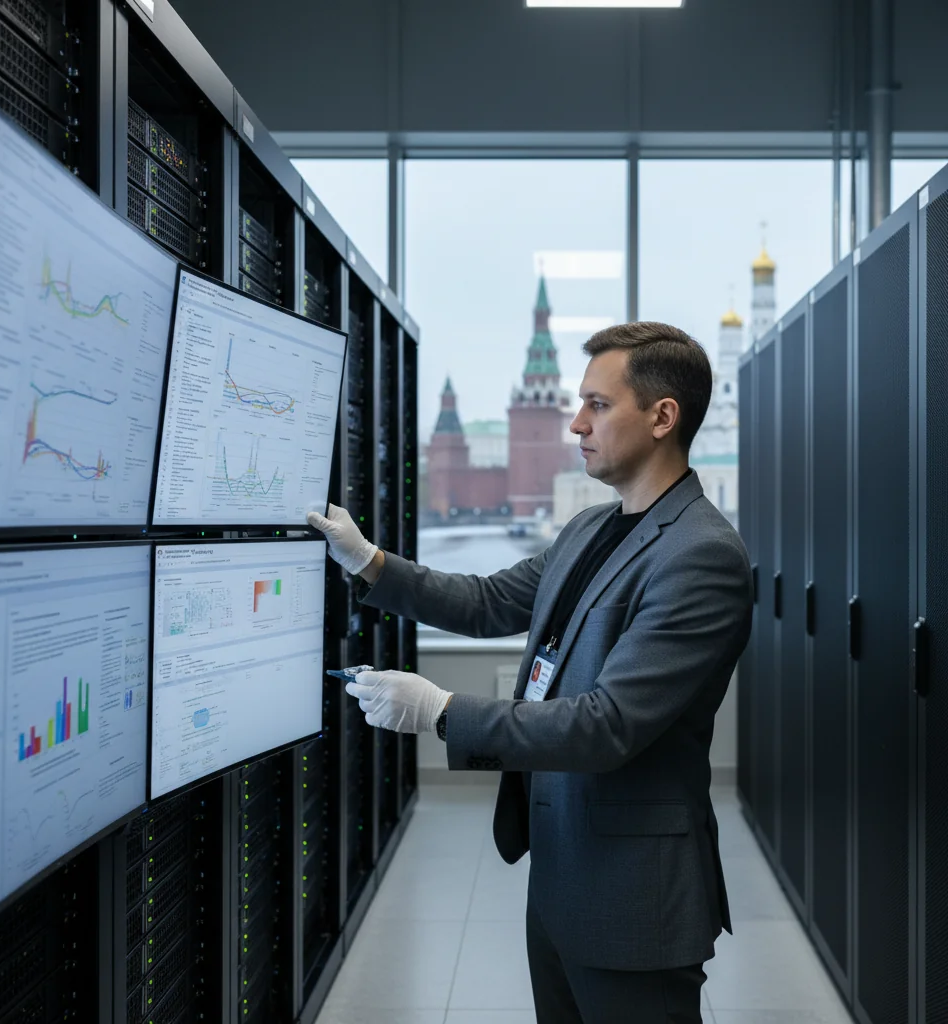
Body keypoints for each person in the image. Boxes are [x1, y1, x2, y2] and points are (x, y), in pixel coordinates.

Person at [307, 321, 754, 1024]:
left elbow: (608, 726)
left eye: (598, 406)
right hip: (560, 873)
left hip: (633, 897)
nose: (575, 423)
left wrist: (440, 711)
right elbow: (489, 601)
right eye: (579, 403)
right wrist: (369, 561)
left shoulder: (702, 556)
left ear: (664, 417)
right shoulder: (589, 530)